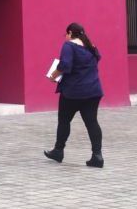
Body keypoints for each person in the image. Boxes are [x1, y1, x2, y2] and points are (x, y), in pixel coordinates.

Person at [45, 23, 105, 168]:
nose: (65, 37)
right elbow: (98, 58)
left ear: (70, 33)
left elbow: (65, 65)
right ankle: (97, 156)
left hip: (73, 92)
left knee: (64, 121)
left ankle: (58, 151)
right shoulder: (91, 46)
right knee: (92, 122)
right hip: (93, 91)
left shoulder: (69, 46)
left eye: (66, 34)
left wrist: (53, 75)